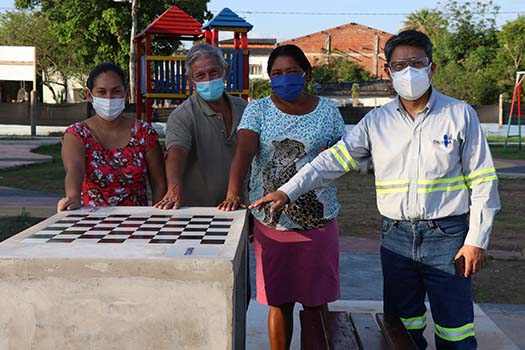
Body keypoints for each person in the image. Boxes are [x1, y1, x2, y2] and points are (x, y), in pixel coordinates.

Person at [251, 30, 500, 350]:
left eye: (416, 63)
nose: (409, 71)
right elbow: (331, 161)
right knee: (401, 329)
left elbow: (483, 181)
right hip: (396, 238)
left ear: (432, 68)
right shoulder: (376, 122)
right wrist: (287, 191)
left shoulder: (459, 114)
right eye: (400, 65)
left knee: (455, 330)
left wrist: (476, 241)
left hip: (448, 237)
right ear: (388, 72)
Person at [218, 44, 346, 350]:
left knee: (316, 303)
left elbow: (343, 155)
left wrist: (334, 156)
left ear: (306, 73)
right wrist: (233, 192)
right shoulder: (259, 109)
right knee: (279, 301)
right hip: (273, 224)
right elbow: (244, 152)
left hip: (318, 222)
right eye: (276, 73)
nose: (283, 78)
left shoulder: (328, 111)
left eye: (291, 72)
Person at [57, 63, 166, 211]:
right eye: (101, 92)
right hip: (91, 225)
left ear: (126, 95)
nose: (109, 98)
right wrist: (72, 196)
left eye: (116, 91)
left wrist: (158, 218)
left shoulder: (144, 133)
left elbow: (159, 183)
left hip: (137, 225)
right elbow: (74, 168)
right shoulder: (77, 135)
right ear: (89, 95)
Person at [154, 43, 248, 209]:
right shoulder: (182, 115)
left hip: (241, 206)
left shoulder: (244, 108)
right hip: (198, 211)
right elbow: (176, 152)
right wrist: (174, 188)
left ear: (226, 71)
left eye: (213, 72)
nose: (208, 80)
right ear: (190, 80)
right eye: (200, 75)